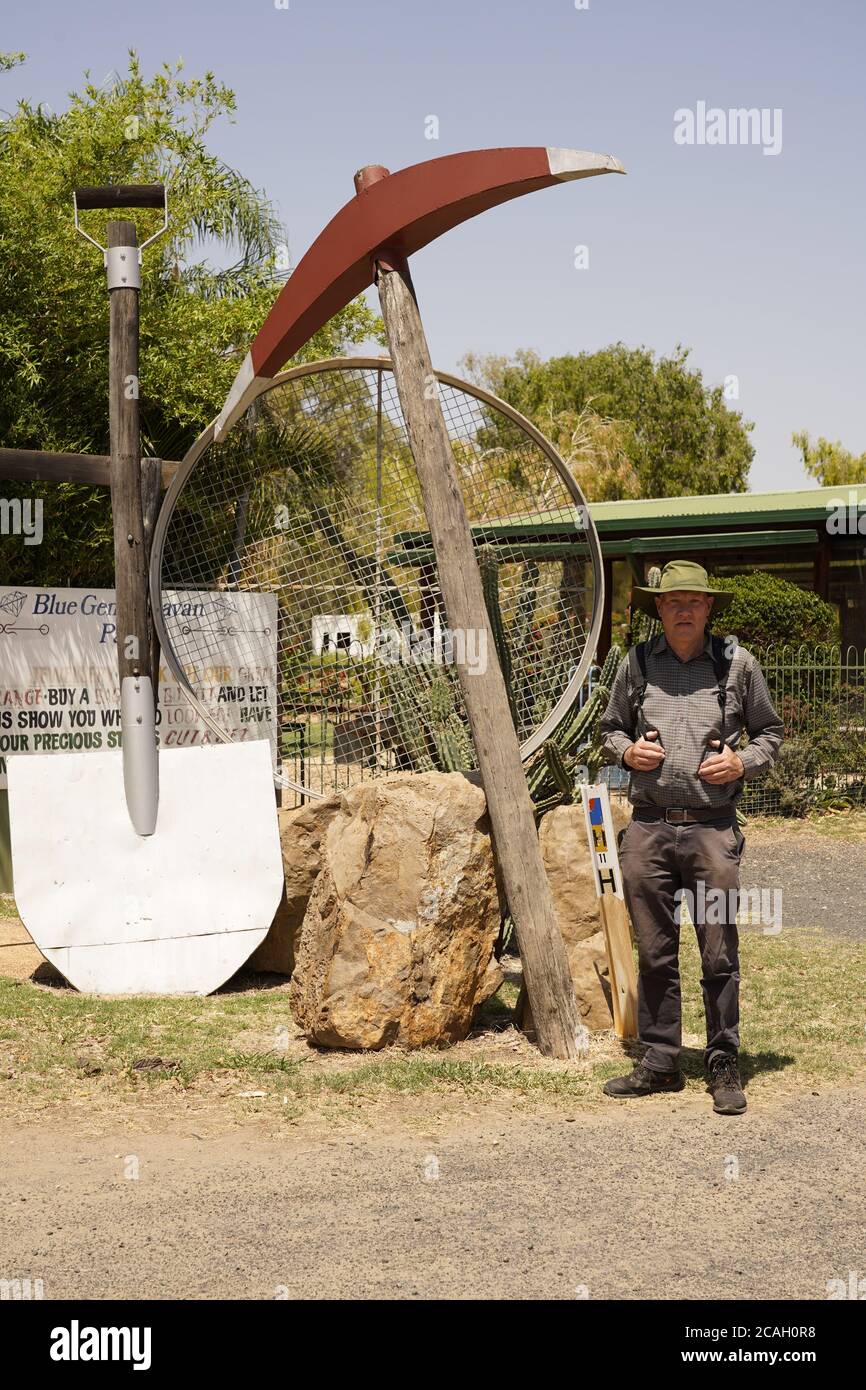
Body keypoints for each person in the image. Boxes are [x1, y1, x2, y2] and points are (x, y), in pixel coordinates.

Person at [598, 561, 783, 1114]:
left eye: (694, 601)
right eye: (674, 601)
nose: (684, 609)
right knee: (654, 950)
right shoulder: (636, 663)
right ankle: (661, 1061)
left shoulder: (738, 664)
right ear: (659, 607)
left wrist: (741, 762)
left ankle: (723, 1058)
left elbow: (770, 733)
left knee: (718, 949)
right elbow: (609, 730)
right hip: (648, 828)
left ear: (708, 608)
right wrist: (627, 752)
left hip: (711, 830)